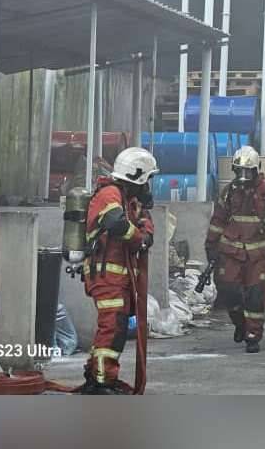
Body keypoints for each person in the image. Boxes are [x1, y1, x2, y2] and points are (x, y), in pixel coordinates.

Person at [81, 147, 158, 394]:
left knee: (116, 328)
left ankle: (96, 374)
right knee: (112, 328)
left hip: (118, 278)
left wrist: (144, 233)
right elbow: (116, 223)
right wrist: (138, 238)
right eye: (148, 179)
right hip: (106, 276)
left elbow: (145, 224)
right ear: (138, 177)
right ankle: (103, 381)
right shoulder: (109, 194)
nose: (149, 185)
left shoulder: (128, 199)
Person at [205, 145, 265, 353]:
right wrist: (211, 246)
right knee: (229, 292)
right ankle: (240, 325)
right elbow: (218, 221)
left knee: (254, 296)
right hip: (231, 253)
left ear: (255, 170)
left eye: (247, 172)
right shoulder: (229, 192)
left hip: (258, 256)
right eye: (239, 171)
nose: (243, 176)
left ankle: (253, 335)